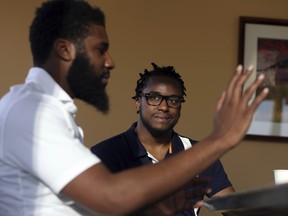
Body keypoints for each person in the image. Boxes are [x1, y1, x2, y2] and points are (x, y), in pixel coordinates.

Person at [0, 0, 269, 215]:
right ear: (65, 50)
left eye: (173, 100)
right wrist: (219, 140)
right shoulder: (32, 113)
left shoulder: (44, 111)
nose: (110, 61)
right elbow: (111, 198)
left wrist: (157, 209)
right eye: (100, 49)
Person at [91, 63, 235, 216]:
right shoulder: (106, 154)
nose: (164, 107)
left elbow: (233, 208)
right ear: (138, 103)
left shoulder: (200, 154)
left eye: (173, 100)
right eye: (154, 97)